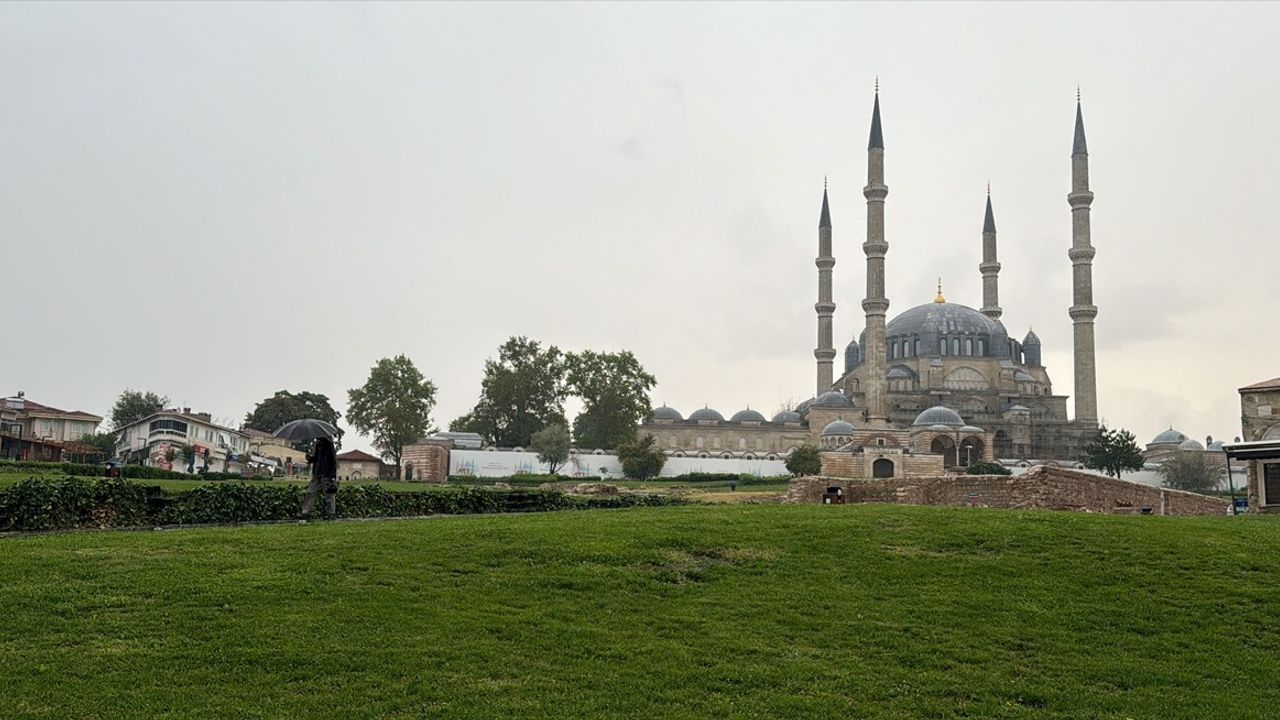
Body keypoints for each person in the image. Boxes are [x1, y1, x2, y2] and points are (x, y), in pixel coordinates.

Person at [301, 436, 338, 520]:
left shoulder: (329, 445)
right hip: (317, 474)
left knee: (329, 495)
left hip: (326, 475)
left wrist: (332, 476)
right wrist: (310, 459)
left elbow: (333, 460)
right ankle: (305, 512)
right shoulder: (317, 445)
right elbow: (316, 459)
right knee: (310, 493)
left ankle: (331, 513)